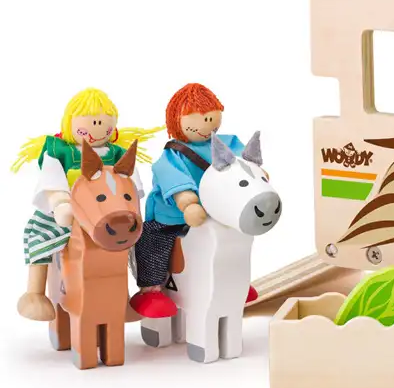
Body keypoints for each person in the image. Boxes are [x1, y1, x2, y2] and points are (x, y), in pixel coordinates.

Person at [12, 88, 161, 321]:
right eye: (90, 121)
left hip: (110, 211)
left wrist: (132, 209)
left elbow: (130, 184)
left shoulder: (117, 153)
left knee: (134, 243)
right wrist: (60, 202)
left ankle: (128, 297)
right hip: (67, 211)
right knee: (40, 236)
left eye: (104, 122)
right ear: (69, 122)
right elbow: (52, 179)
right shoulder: (59, 150)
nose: (98, 126)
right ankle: (35, 292)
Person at [129, 82, 254, 318]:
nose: (207, 124)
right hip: (174, 217)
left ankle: (234, 282)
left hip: (217, 212)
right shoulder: (173, 154)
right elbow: (173, 178)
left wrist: (256, 174)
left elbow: (244, 165)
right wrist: (188, 202)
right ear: (177, 120)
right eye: (199, 118)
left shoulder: (227, 143)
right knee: (152, 238)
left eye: (211, 117)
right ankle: (150, 289)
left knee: (236, 239)